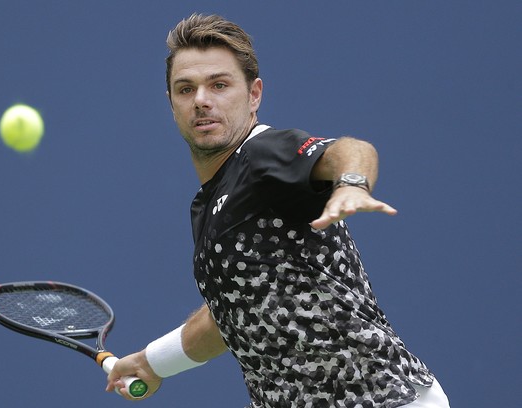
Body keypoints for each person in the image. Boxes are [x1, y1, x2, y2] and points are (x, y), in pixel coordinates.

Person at [106, 13, 450, 408]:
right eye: (186, 89)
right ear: (171, 105)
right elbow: (232, 313)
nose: (201, 100)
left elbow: (349, 150)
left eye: (219, 85)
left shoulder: (262, 154)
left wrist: (352, 183)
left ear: (254, 95)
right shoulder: (209, 205)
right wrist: (153, 363)